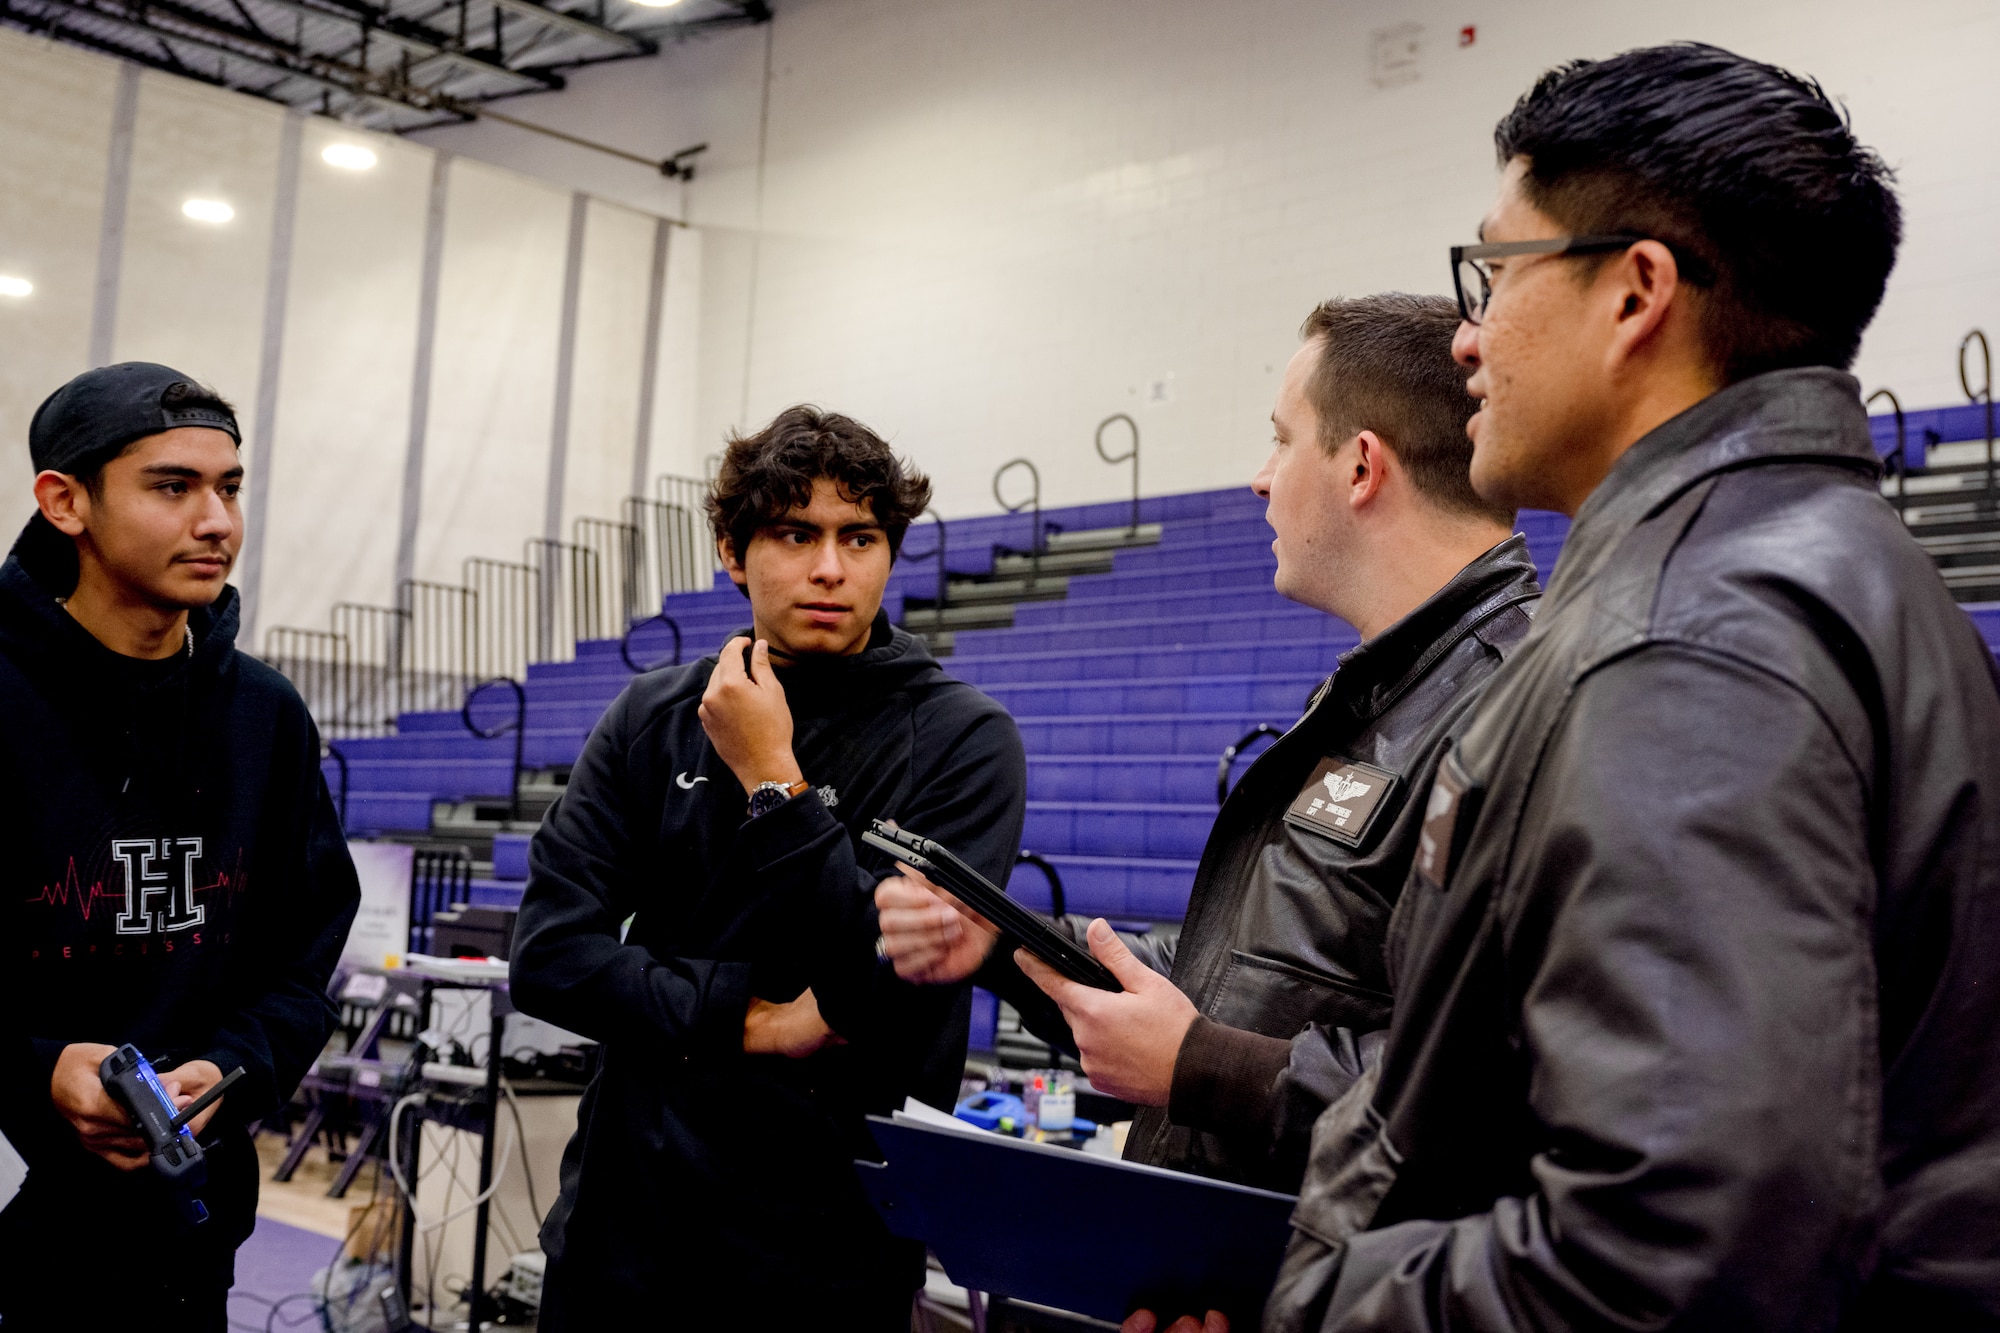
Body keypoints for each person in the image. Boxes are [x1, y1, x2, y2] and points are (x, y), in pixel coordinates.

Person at [1256, 44, 2000, 1333]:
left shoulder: (1687, 645)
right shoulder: (1816, 572)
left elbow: (1669, 1255)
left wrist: (1337, 1304)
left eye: (1492, 273)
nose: (1464, 334)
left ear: (1634, 293)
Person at [877, 294, 1539, 1195]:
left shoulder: (1516, 704)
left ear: (1360, 467)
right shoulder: (1389, 687)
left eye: (1280, 438)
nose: (1261, 478)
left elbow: (1502, 1097)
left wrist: (1202, 1067)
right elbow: (1234, 989)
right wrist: (1003, 942)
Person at [509, 406, 1028, 1329]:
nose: (831, 568)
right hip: (619, 1240)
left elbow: (884, 998)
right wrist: (754, 1022)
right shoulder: (653, 714)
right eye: (795, 534)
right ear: (732, 549)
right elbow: (550, 955)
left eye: (859, 536)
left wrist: (775, 784)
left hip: (822, 1263)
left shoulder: (964, 739)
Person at [0, 362, 360, 1331]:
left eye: (230, 487)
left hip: (187, 1248)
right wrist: (34, 1068)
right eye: (173, 486)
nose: (218, 522)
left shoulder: (265, 716)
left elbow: (300, 964)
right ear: (64, 501)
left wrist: (235, 1064)